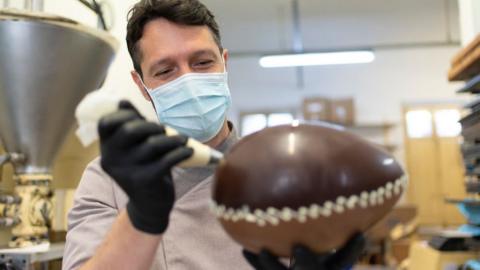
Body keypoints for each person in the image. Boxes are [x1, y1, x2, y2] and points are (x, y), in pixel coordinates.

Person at [62, 1, 365, 269]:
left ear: (224, 63)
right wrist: (140, 217)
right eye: (166, 71)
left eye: (203, 62)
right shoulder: (108, 181)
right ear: (141, 86)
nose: (189, 81)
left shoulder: (280, 172)